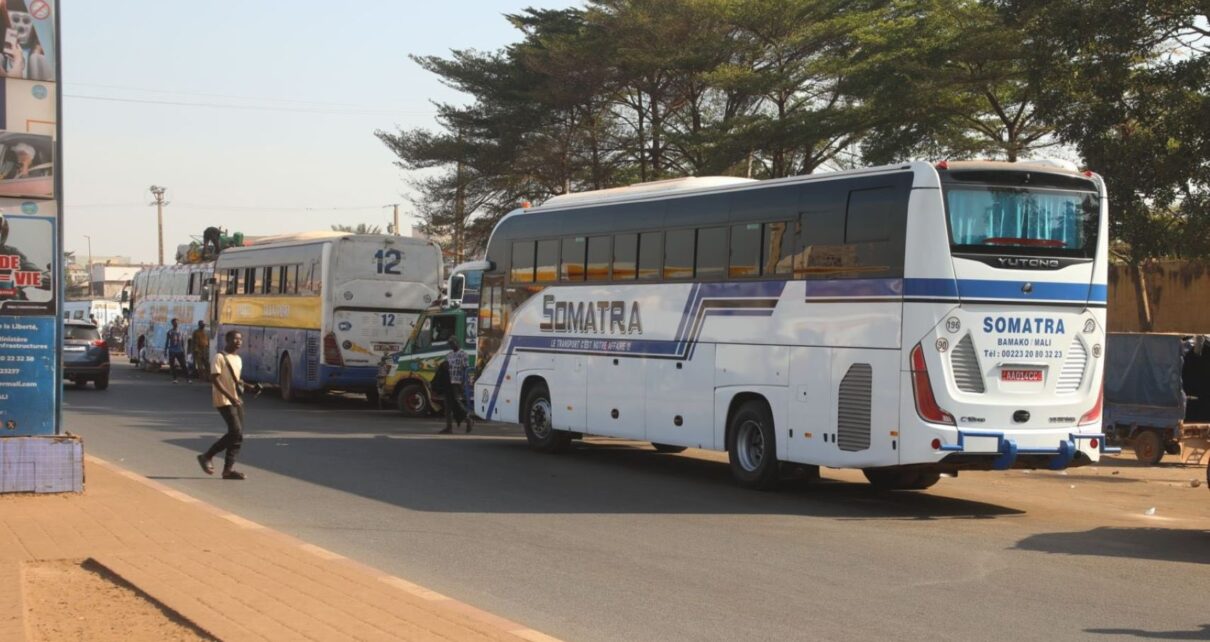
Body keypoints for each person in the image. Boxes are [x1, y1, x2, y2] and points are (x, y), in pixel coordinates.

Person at [197, 330, 261, 480]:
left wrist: (251, 387)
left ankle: (228, 470)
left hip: (236, 400)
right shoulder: (219, 357)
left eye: (240, 339)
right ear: (227, 340)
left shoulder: (238, 359)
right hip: (223, 400)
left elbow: (236, 380)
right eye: (235, 339)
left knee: (238, 436)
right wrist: (230, 396)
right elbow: (215, 379)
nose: (238, 341)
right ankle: (207, 456)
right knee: (235, 431)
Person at [443, 337, 473, 433]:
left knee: (456, 403)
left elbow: (466, 369)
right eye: (450, 344)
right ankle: (449, 427)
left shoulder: (463, 354)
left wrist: (464, 383)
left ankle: (468, 419)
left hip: (457, 382)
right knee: (447, 405)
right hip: (448, 382)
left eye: (452, 343)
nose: (451, 345)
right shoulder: (449, 355)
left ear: (457, 343)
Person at [165, 318, 189, 383]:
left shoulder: (181, 332)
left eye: (177, 322)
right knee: (172, 366)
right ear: (172, 324)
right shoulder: (169, 332)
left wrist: (184, 351)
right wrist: (165, 350)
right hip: (172, 351)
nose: (176, 324)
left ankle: (187, 378)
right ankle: (175, 379)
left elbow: (183, 342)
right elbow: (167, 342)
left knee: (183, 365)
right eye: (175, 323)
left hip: (180, 351)